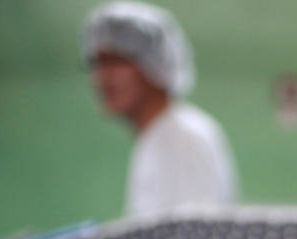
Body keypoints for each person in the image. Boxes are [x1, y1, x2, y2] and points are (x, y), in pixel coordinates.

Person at [82, 2, 238, 220]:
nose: (101, 78)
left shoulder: (182, 139)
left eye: (114, 62)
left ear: (154, 65)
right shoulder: (159, 137)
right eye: (97, 64)